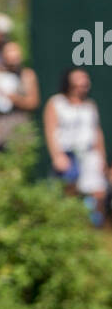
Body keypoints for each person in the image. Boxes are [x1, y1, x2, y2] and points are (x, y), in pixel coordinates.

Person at [43, 69, 109, 225]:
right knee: (69, 192)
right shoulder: (56, 103)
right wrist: (57, 155)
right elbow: (50, 130)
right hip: (68, 155)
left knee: (98, 193)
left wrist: (102, 159)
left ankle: (95, 228)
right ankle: (71, 228)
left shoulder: (90, 105)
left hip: (89, 154)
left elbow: (97, 132)